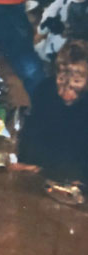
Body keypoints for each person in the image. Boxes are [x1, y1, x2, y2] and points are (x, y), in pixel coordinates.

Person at [17, 40, 88, 184]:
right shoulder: (45, 89)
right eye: (61, 79)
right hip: (44, 168)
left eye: (76, 82)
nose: (65, 91)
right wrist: (25, 161)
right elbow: (31, 131)